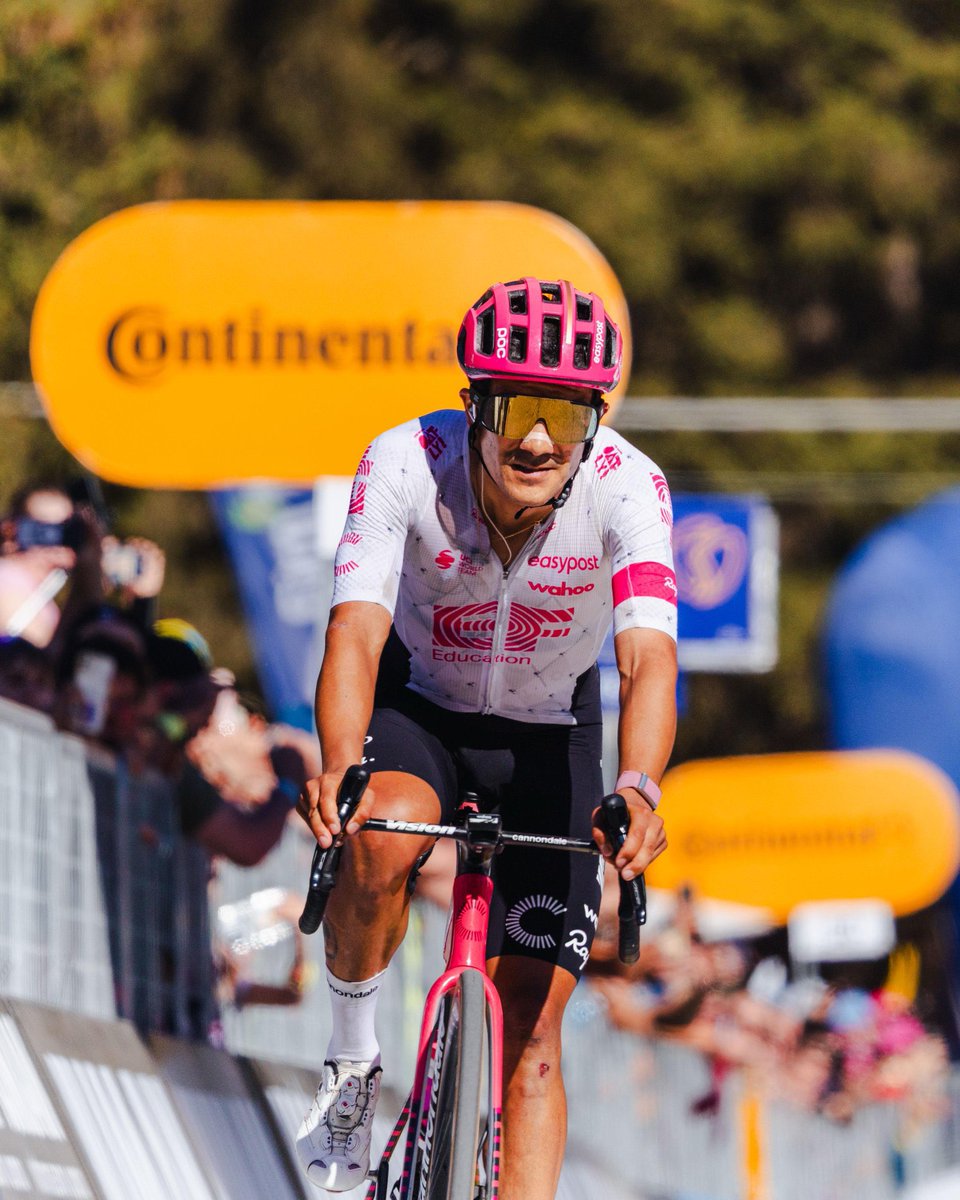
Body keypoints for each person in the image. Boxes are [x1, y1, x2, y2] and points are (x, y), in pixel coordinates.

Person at [295, 277, 678, 1196]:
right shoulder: (401, 463)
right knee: (379, 835)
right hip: (421, 706)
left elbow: (648, 663)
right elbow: (354, 630)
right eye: (515, 409)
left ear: (594, 420)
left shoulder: (631, 489)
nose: (538, 440)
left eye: (563, 414)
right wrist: (342, 763)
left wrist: (640, 786)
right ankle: (352, 1064)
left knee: (534, 1039)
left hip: (552, 735)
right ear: (476, 405)